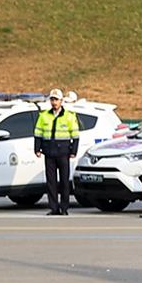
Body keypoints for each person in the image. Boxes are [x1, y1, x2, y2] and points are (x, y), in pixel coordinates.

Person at [33, 88, 81, 216]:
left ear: (61, 101)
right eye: (52, 100)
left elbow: (75, 135)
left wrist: (73, 151)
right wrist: (37, 149)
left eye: (56, 100)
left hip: (63, 153)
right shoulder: (44, 115)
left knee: (64, 182)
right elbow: (38, 133)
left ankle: (64, 207)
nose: (54, 102)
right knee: (51, 182)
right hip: (49, 152)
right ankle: (53, 207)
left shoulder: (69, 116)